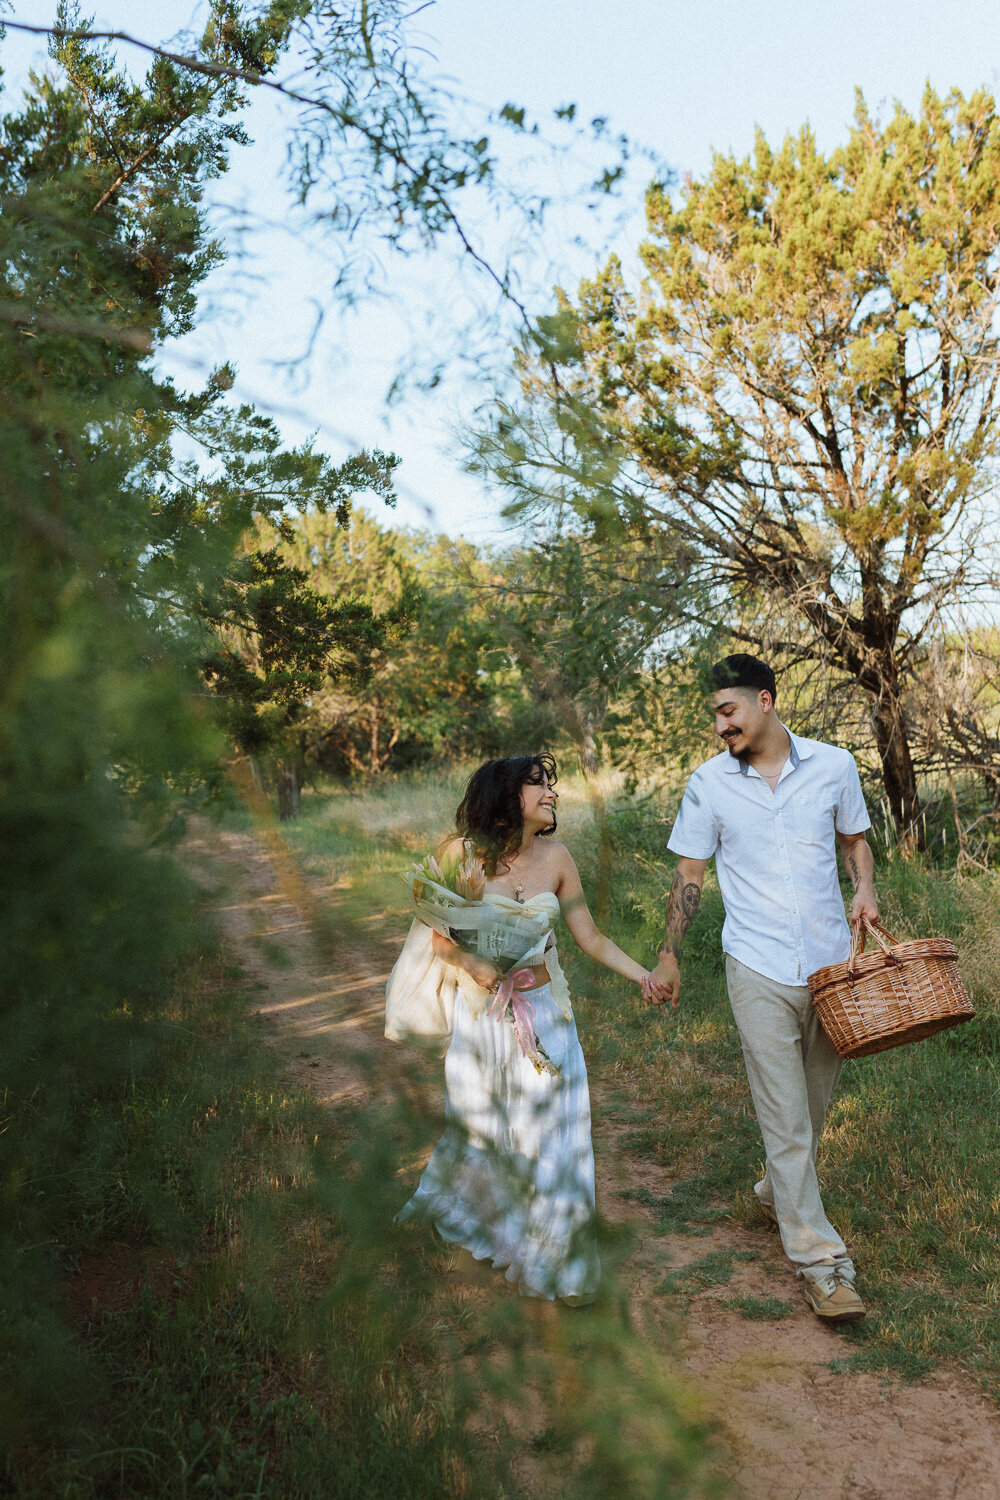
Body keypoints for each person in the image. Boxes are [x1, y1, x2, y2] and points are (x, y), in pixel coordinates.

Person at [648, 655, 878, 1324]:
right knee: (785, 1117)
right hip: (755, 965)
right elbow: (690, 871)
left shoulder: (834, 766)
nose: (721, 726)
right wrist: (669, 954)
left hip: (833, 965)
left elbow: (855, 841)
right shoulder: (708, 785)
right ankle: (823, 1265)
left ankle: (777, 1191)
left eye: (729, 712)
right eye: (716, 715)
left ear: (766, 701)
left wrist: (864, 889)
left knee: (810, 1107)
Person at [397, 753, 667, 1303]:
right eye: (537, 784)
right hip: (481, 1018)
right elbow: (440, 937)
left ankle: (560, 1266)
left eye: (551, 785)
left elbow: (589, 938)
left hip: (545, 1013)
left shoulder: (559, 857)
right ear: (506, 794)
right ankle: (480, 1222)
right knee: (485, 1129)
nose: (550, 793)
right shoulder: (459, 855)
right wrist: (474, 965)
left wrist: (645, 975)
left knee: (558, 1135)